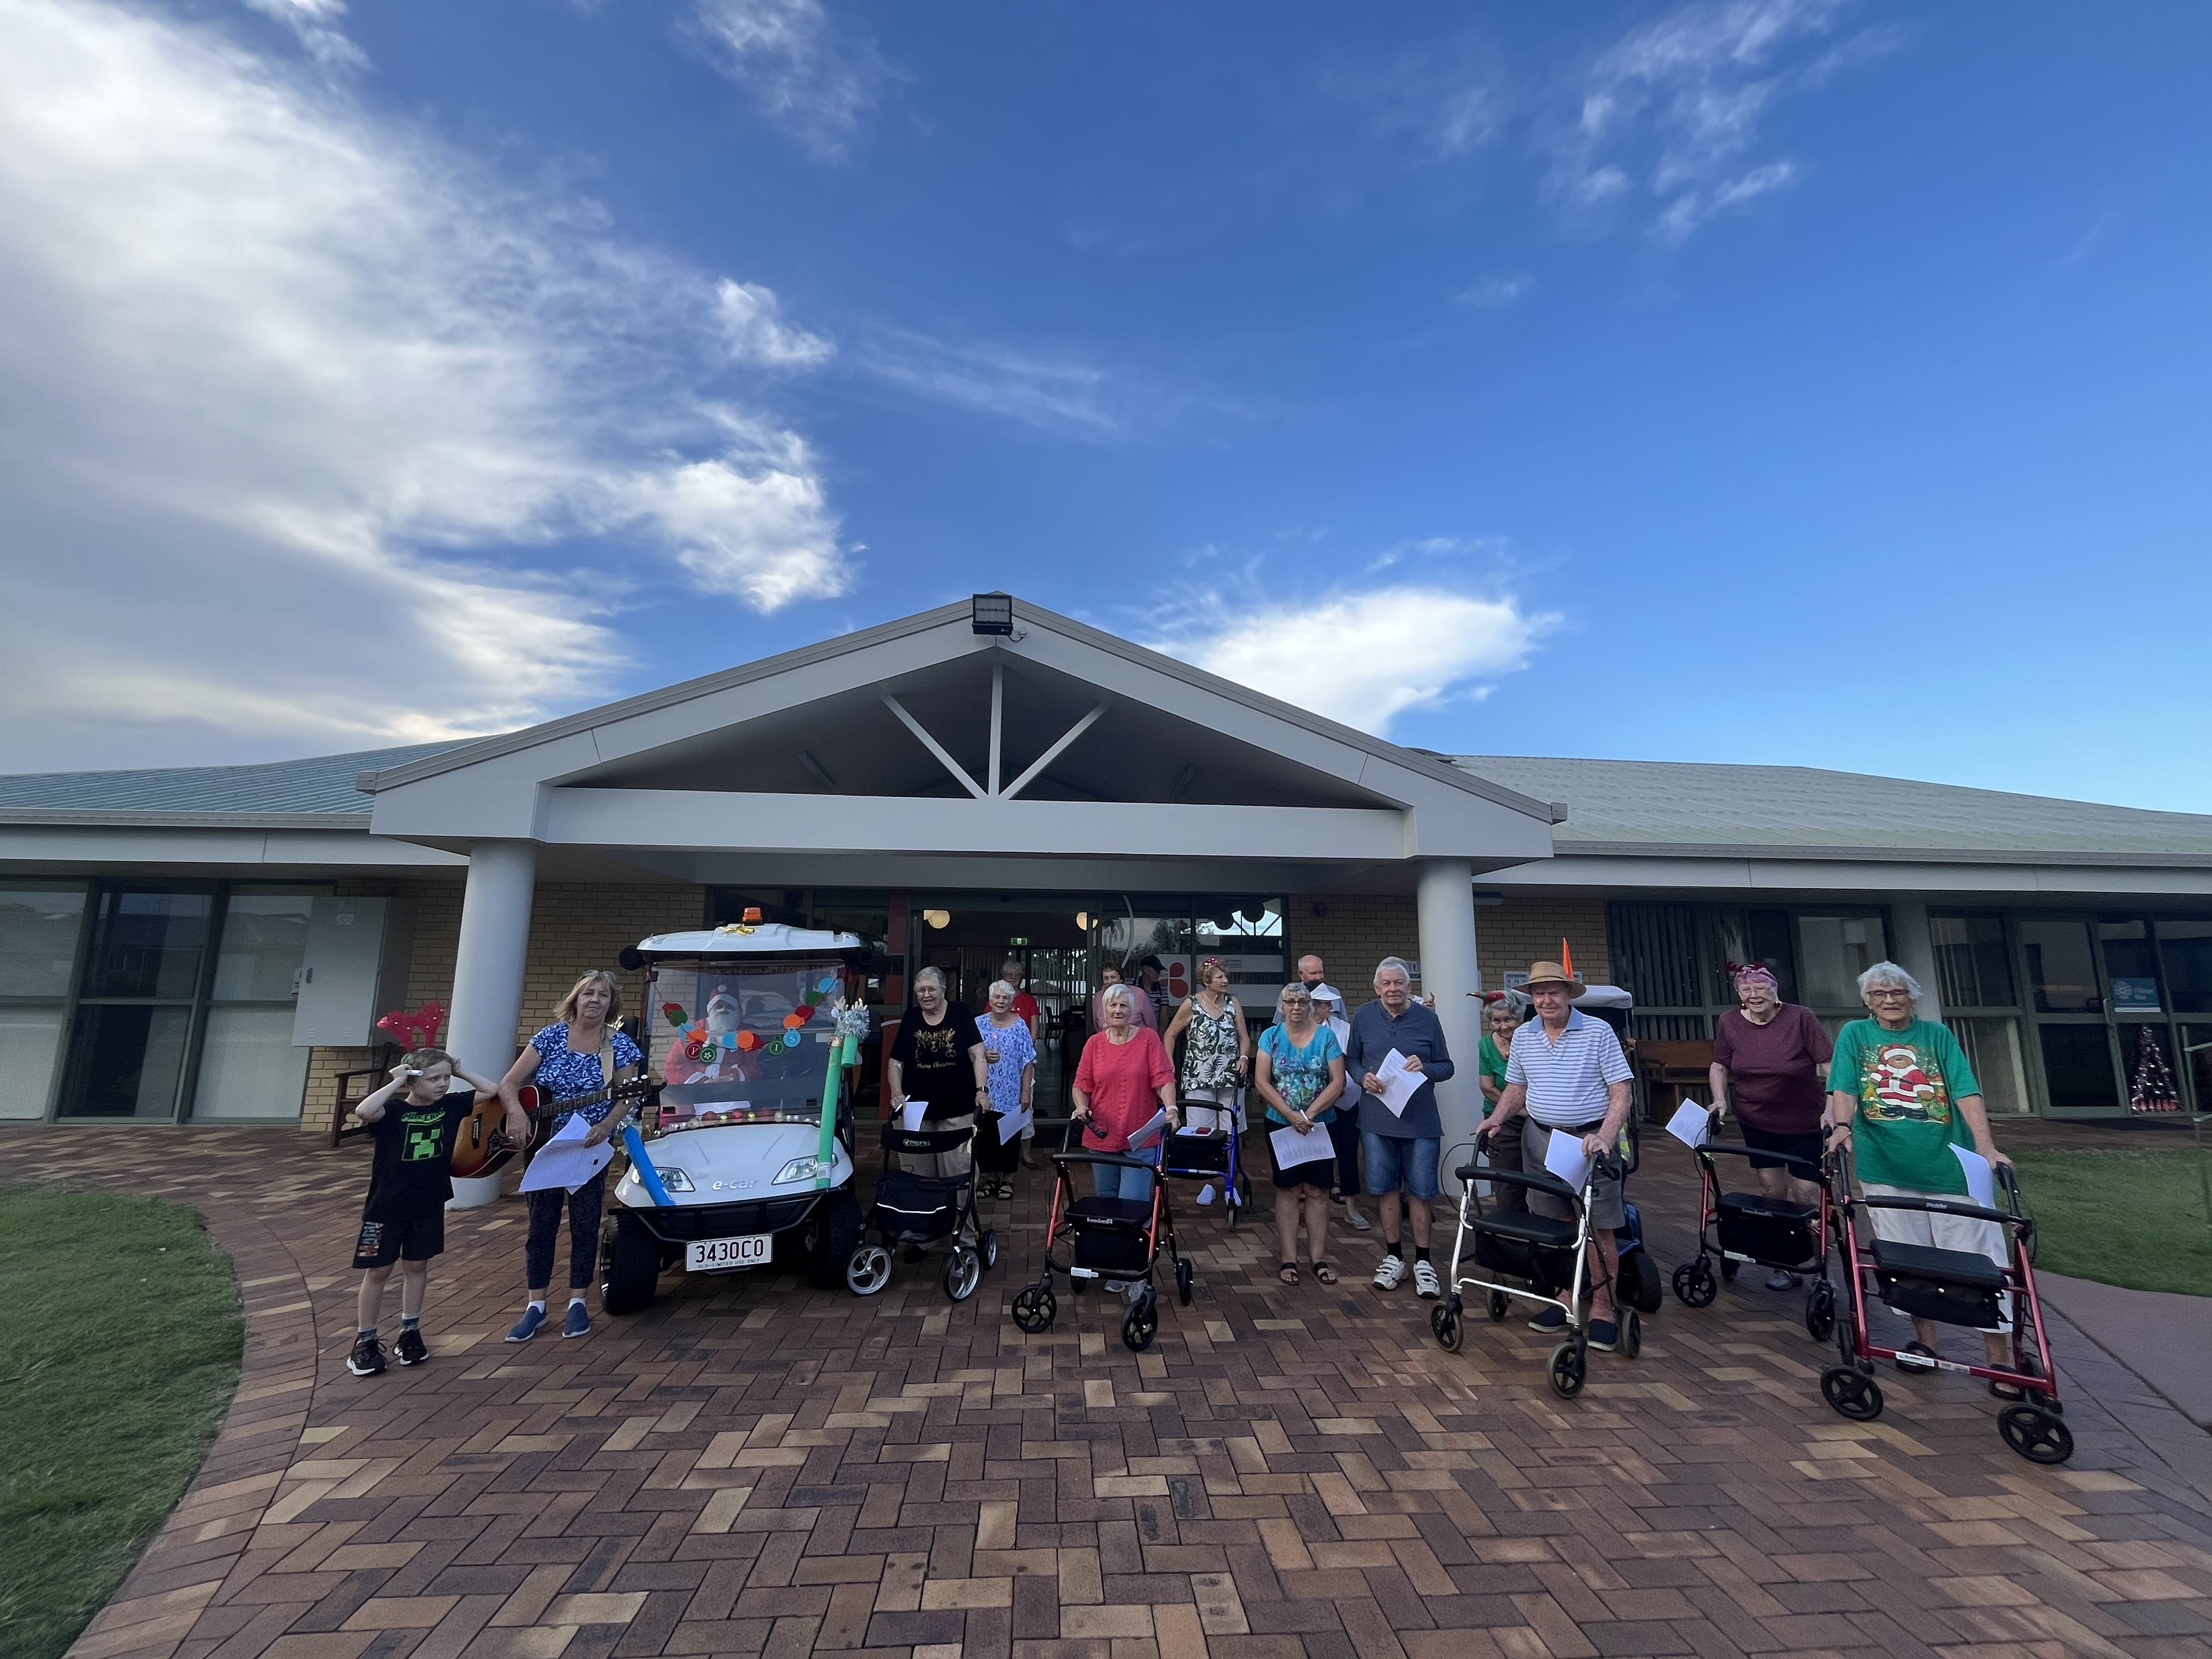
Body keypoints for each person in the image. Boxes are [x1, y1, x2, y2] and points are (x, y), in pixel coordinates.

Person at [1825, 962, 2016, 1383]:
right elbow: (1846, 1088)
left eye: (1897, 993)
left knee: (1977, 1259)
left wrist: (1986, 1148)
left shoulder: (1937, 1035)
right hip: (1885, 1166)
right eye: (1879, 994)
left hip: (1949, 1165)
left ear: (1912, 997)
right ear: (1868, 1001)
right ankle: (1925, 1344)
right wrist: (1841, 1128)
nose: (1889, 1000)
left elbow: (1966, 1091)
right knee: (1905, 1257)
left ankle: (1999, 1357)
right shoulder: (1855, 1035)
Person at [1486, 960, 1636, 1351]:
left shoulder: (1599, 1032)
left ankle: (1603, 1307)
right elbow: (1516, 1087)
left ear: (1569, 994)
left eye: (1554, 991)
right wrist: (1496, 1120)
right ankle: (1565, 1297)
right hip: (1542, 1141)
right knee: (1554, 1225)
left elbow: (1621, 1093)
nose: (1546, 999)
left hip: (1590, 1143)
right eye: (1539, 993)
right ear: (1531, 999)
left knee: (1599, 1227)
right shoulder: (1524, 1037)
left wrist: (1605, 1136)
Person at [499, 970, 643, 1342]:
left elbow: (628, 1094)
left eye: (604, 996)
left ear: (612, 1004)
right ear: (575, 999)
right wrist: (516, 1113)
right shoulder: (549, 1037)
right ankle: (536, 1306)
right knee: (541, 1224)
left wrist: (607, 1126)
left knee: (583, 1223)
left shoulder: (620, 1046)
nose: (595, 1000)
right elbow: (510, 1084)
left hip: (589, 1147)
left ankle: (578, 1302)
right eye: (589, 994)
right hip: (544, 1143)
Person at [347, 1047, 509, 1376]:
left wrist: (461, 1071)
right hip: (386, 1206)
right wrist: (398, 1082)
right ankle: (365, 1340)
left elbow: (492, 1091)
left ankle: (410, 1331)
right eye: (434, 1078)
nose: (442, 1084)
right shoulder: (392, 1111)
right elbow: (365, 1110)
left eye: (446, 1078)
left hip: (428, 1203)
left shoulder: (450, 1106)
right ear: (414, 1079)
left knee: (417, 1265)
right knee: (378, 1271)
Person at [1711, 963, 1834, 1288]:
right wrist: (1720, 1100)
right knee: (1771, 1190)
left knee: (1806, 1193)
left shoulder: (1800, 1017)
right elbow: (1719, 1065)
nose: (1754, 995)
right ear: (1739, 995)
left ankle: (1817, 1259)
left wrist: (1835, 1108)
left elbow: (1827, 1063)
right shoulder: (1730, 1021)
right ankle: (1787, 1261)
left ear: (1775, 991)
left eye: (1761, 989)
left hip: (1805, 1120)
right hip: (1757, 1119)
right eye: (1747, 990)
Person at [1347, 957, 1456, 1299]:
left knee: (1422, 1193)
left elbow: (1447, 1066)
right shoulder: (1363, 1016)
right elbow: (1351, 1058)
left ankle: (1424, 1262)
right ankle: (1394, 1257)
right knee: (1385, 1190)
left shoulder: (1428, 1019)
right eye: (1386, 984)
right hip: (1377, 1121)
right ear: (1377, 987)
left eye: (1399, 983)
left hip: (1420, 1122)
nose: (1393, 989)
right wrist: (1361, 1076)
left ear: (1410, 987)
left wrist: (1427, 1067)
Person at [1255, 983, 1346, 1285]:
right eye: (1290, 1001)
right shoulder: (1271, 1037)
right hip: (1281, 1123)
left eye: (1302, 1001)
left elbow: (1338, 1081)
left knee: (1319, 1190)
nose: (1296, 1007)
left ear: (1311, 1005)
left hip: (1321, 1123)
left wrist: (1309, 1115)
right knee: (1288, 1189)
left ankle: (1318, 1258)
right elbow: (1262, 1081)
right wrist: (1291, 1115)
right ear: (1282, 1005)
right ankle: (1288, 1258)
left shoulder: (1326, 1036)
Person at [1071, 983, 1180, 1202]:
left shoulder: (1148, 1039)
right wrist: (1081, 1106)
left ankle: (1137, 1236)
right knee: (1106, 1200)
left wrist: (1171, 1109)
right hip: (1102, 1134)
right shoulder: (1094, 1044)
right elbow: (1081, 1086)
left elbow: (1164, 1079)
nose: (1118, 1010)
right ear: (1104, 1011)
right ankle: (1113, 1239)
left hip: (1140, 1135)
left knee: (1133, 1202)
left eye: (1123, 1005)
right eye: (1113, 1005)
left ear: (1132, 1012)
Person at [887, 967, 989, 1182]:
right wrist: (896, 1092)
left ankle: (961, 1216)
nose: (926, 995)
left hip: (957, 1109)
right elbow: (896, 1062)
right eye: (921, 990)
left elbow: (978, 1053)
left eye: (931, 989)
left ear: (944, 990)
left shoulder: (960, 1012)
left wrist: (982, 1092)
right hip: (916, 1111)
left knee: (959, 1171)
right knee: (916, 1173)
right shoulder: (911, 1017)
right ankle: (925, 1215)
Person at [1162, 958, 1251, 1135]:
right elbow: (1170, 1034)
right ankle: (1203, 1164)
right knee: (1201, 1131)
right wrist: (1168, 1062)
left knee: (1232, 1130)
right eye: (1220, 977)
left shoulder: (1233, 1003)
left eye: (1226, 976)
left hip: (1230, 1076)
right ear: (1206, 981)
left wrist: (1244, 1058)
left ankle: (1230, 1163)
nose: (1225, 980)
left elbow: (1244, 1038)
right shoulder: (1192, 1004)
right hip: (1199, 1078)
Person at [1307, 981, 1370, 1231]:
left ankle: (1351, 1208)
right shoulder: (1304, 1029)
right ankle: (1314, 1209)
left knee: (1347, 1153)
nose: (1327, 1008)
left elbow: (1351, 1057)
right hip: (1315, 1101)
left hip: (1345, 1100)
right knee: (1316, 1155)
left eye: (1329, 1004)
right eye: (1323, 1004)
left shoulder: (1344, 1028)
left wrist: (1342, 1082)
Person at [975, 979, 1036, 1201]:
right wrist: (981, 1056)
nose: (1001, 1001)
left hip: (1012, 1092)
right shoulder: (978, 1024)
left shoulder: (1019, 1025)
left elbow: (1028, 1060)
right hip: (985, 1093)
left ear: (1012, 1001)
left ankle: (1008, 1179)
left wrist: (1026, 1092)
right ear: (990, 1000)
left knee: (1009, 1138)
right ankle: (991, 1178)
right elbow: (968, 1054)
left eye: (1005, 998)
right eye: (997, 997)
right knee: (986, 1138)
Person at [1475, 995, 1528, 1216]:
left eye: (1508, 1020)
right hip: (1502, 1121)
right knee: (1506, 1181)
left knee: (1540, 1179)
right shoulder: (1486, 1045)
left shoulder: (1531, 1040)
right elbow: (1487, 1086)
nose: (1503, 1026)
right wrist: (1516, 1109)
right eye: (1497, 1021)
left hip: (1536, 1119)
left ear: (1518, 1018)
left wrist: (1530, 1111)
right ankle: (1512, 1232)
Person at [1002, 958, 1045, 1167]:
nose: (1013, 978)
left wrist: (1025, 1052)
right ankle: (1002, 1154)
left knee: (1026, 1107)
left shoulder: (1028, 1000)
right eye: (1009, 975)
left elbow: (1034, 1032)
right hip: (999, 1066)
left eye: (1017, 975)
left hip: (1023, 1062)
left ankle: (1026, 1153)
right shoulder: (997, 999)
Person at [1092, 961, 1157, 1031]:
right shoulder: (1098, 998)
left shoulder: (1139, 995)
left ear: (1121, 979)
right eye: (1106, 978)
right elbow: (1098, 1026)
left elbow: (1151, 1025)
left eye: (1113, 977)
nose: (1110, 981)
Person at [1137, 955, 1172, 1024]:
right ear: (1146, 969)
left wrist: (1161, 1034)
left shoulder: (1162, 989)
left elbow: (1164, 1016)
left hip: (1152, 1031)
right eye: (1157, 971)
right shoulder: (1130, 984)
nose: (1159, 974)